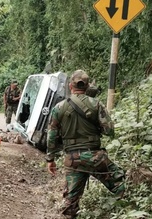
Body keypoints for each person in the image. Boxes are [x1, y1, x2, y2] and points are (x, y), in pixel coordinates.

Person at [45, 70, 125, 218]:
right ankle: (127, 212)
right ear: (87, 87)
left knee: (71, 200)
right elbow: (109, 131)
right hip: (95, 157)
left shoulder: (58, 108)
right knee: (120, 184)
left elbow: (51, 136)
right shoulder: (96, 104)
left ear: (70, 86)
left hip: (72, 160)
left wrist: (50, 159)